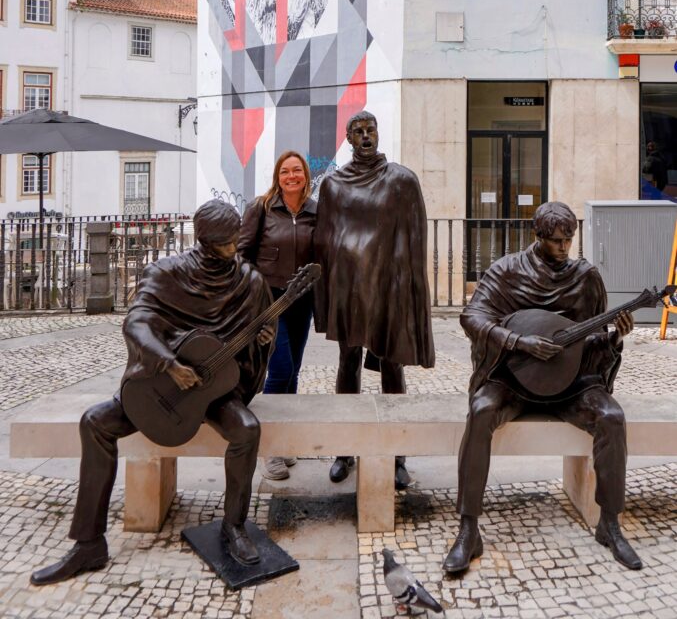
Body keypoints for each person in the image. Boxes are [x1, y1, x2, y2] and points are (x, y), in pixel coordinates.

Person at [30, 199, 275, 584]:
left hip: (215, 390)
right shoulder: (167, 273)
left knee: (247, 429)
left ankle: (234, 526)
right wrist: (168, 363)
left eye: (236, 240)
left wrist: (262, 340)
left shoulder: (250, 282)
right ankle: (88, 544)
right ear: (205, 241)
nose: (234, 249)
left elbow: (259, 342)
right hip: (163, 383)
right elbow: (138, 322)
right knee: (95, 423)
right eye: (226, 243)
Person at [444, 201, 641, 576]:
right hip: (513, 379)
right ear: (537, 236)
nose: (564, 248)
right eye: (556, 241)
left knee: (612, 417)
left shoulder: (585, 278)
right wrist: (518, 342)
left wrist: (616, 337)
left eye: (569, 240)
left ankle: (609, 523)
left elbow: (595, 343)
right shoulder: (508, 271)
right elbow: (472, 316)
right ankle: (469, 529)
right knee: (481, 410)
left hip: (573, 383)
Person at [314, 110, 435, 489]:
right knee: (347, 362)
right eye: (358, 131)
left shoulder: (400, 181)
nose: (366, 136)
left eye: (371, 130)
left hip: (387, 288)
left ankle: (397, 454)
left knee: (391, 364)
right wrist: (326, 298)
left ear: (378, 134)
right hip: (349, 289)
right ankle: (344, 450)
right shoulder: (333, 185)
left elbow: (414, 241)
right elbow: (324, 241)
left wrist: (410, 293)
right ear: (348, 138)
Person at [239, 150, 317, 481]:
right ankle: (269, 447)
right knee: (280, 368)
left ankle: (284, 441)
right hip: (270, 301)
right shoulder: (261, 208)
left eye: (297, 170)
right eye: (285, 171)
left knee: (294, 371)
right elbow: (242, 254)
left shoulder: (315, 211)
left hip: (302, 300)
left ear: (305, 176)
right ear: (277, 177)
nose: (291, 176)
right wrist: (251, 294)